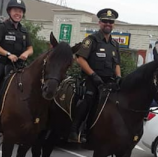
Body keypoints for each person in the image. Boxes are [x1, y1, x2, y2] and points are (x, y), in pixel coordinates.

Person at [67, 8, 121, 143]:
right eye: (105, 21)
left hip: (108, 81)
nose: (108, 24)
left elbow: (117, 64)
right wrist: (93, 75)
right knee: (89, 100)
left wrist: (119, 77)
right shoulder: (91, 40)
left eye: (110, 22)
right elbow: (80, 59)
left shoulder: (114, 45)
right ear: (99, 23)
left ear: (113, 24)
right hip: (92, 79)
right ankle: (75, 130)